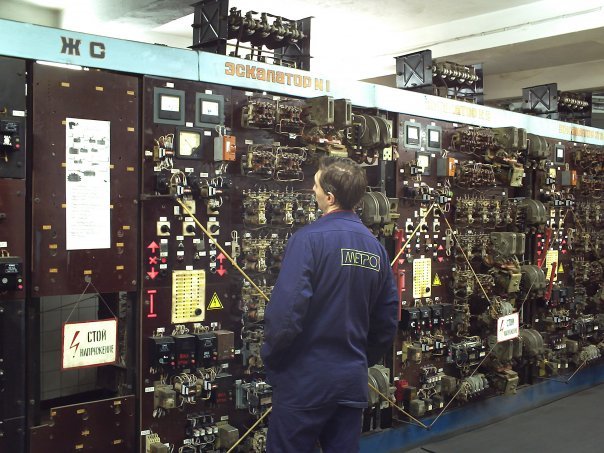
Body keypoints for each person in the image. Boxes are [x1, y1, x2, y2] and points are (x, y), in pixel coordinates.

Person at [261, 156, 399, 453]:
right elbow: (387, 321)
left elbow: (286, 316)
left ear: (330, 197)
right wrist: (359, 360)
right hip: (350, 382)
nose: (313, 190)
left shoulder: (307, 241)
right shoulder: (376, 249)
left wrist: (271, 358)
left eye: (316, 185)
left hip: (304, 381)